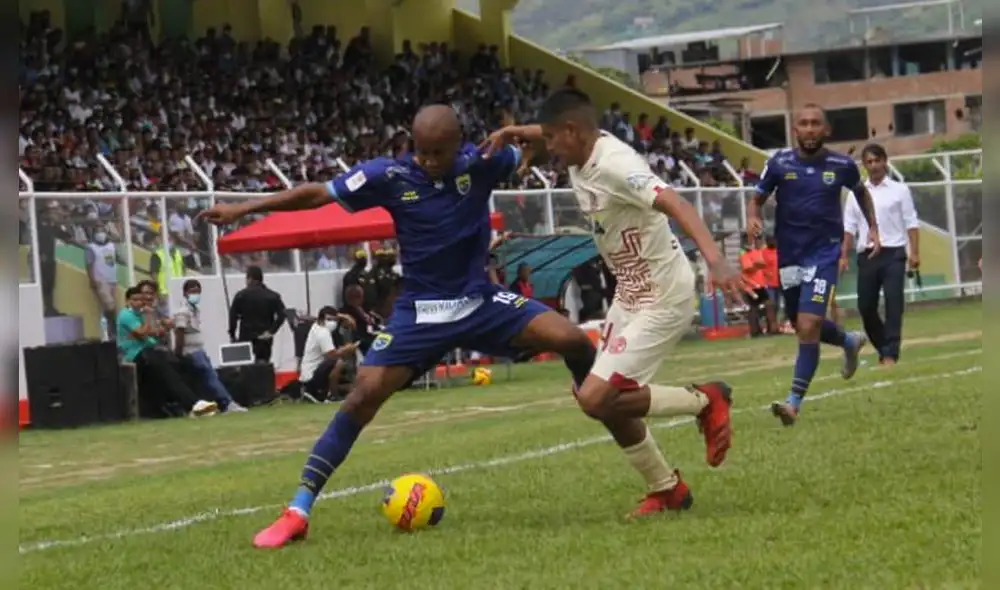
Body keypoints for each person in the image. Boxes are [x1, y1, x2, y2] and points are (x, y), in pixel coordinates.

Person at [200, 104, 602, 549]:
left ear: (458, 144)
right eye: (421, 151)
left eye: (438, 152)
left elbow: (553, 141)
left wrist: (513, 132)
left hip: (479, 302)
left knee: (572, 339)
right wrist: (244, 208)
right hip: (419, 314)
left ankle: (590, 395)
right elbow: (317, 194)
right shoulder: (388, 176)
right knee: (363, 394)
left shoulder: (483, 161)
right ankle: (299, 509)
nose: (428, 160)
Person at [482, 88, 747, 518]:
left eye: (551, 139)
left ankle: (706, 399)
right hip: (630, 293)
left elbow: (676, 202)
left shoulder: (616, 165)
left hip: (663, 294)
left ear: (572, 131)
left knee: (596, 397)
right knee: (593, 395)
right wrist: (515, 132)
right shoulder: (579, 148)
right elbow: (547, 131)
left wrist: (716, 259)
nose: (546, 147)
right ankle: (666, 489)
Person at [747, 103, 882, 427]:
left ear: (826, 129)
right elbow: (757, 198)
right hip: (790, 255)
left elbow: (862, 194)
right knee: (800, 323)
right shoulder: (779, 163)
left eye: (815, 123)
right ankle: (848, 341)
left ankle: (793, 403)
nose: (809, 129)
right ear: (795, 129)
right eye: (804, 123)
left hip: (824, 254)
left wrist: (873, 228)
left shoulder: (842, 165)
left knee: (809, 324)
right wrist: (753, 217)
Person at [842, 143, 920, 366]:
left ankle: (890, 354)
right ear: (864, 165)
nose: (874, 165)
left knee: (894, 304)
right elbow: (849, 227)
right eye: (869, 161)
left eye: (877, 160)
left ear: (885, 162)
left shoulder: (899, 190)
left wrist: (915, 252)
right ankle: (884, 346)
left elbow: (911, 222)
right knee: (866, 306)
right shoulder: (855, 194)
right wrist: (844, 255)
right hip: (867, 255)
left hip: (894, 252)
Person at [117, 286, 218, 418]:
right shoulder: (126, 315)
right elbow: (142, 333)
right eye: (134, 300)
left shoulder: (139, 315)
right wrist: (148, 318)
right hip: (135, 355)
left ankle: (191, 404)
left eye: (140, 300)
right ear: (127, 301)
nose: (138, 303)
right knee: (163, 366)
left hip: (149, 352)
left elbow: (156, 333)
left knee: (180, 363)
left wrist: (157, 326)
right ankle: (193, 404)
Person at [173, 279, 247, 413]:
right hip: (190, 351)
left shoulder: (195, 311)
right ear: (185, 293)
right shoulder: (183, 312)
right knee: (210, 376)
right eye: (192, 292)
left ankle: (218, 404)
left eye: (197, 292)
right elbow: (180, 332)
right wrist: (178, 353)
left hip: (198, 350)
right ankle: (227, 402)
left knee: (208, 377)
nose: (195, 295)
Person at [299, 306, 360, 402]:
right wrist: (347, 349)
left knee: (350, 385)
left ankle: (335, 391)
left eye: (335, 320)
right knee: (339, 362)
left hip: (310, 371)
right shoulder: (323, 333)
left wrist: (344, 316)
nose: (334, 323)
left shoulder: (316, 325)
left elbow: (350, 323)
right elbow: (332, 355)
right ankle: (332, 396)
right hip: (312, 375)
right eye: (331, 320)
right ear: (323, 319)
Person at [228, 266, 287, 363]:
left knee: (246, 366)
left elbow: (232, 317)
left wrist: (232, 335)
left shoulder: (240, 296)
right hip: (264, 338)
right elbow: (283, 314)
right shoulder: (273, 296)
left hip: (246, 337)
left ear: (250, 278)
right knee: (263, 366)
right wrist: (271, 331)